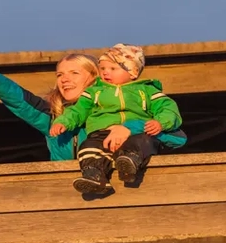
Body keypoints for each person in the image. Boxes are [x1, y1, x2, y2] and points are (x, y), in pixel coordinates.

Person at [0, 51, 183, 162]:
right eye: (60, 74)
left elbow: (177, 136)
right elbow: (20, 100)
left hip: (124, 196)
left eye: (74, 73)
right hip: (68, 197)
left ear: (97, 78)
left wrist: (130, 128)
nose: (64, 79)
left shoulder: (124, 110)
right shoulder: (54, 117)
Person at [50, 43, 187, 195]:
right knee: (88, 146)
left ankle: (129, 160)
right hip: (101, 133)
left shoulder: (147, 91)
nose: (106, 73)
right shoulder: (94, 92)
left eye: (113, 69)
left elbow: (167, 108)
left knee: (143, 141)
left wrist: (160, 122)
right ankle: (94, 175)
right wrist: (62, 121)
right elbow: (77, 110)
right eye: (102, 69)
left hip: (136, 134)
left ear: (133, 72)